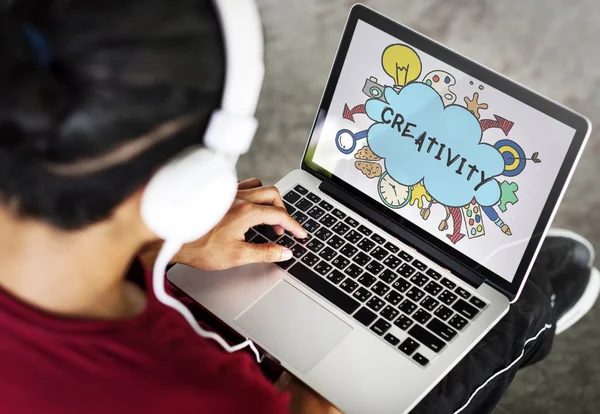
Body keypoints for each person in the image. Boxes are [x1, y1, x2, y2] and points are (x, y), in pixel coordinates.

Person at [0, 1, 597, 413]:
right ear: (191, 183)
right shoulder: (216, 398)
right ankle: (534, 316)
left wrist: (168, 246)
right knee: (507, 309)